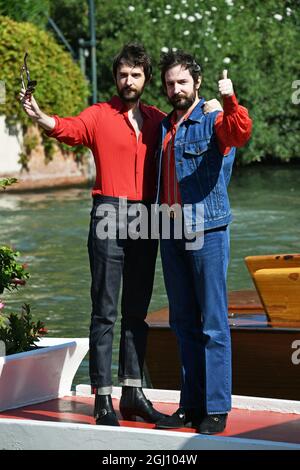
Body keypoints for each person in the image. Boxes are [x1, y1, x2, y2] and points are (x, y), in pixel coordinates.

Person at [19, 43, 167, 427]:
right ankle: (103, 397)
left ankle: (133, 393)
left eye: (135, 74)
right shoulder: (99, 115)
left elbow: (185, 136)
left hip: (148, 215)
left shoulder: (157, 119)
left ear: (145, 79)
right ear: (115, 77)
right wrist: (39, 115)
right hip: (109, 212)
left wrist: (212, 107)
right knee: (105, 310)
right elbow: (69, 129)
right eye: (122, 74)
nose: (128, 80)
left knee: (137, 311)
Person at [154, 50, 252, 434]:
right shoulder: (164, 126)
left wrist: (229, 98)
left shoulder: (213, 119)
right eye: (169, 84)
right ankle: (189, 405)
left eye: (181, 82)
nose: (175, 89)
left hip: (207, 230)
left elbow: (239, 132)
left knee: (213, 323)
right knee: (182, 323)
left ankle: (216, 408)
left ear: (196, 82)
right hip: (169, 230)